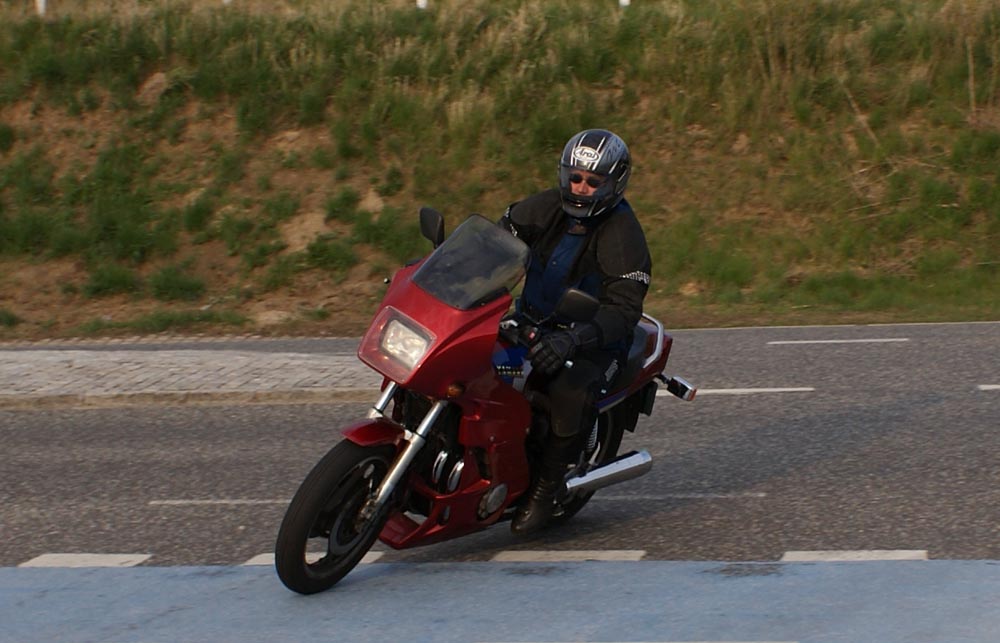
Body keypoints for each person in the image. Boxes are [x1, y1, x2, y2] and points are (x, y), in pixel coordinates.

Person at [498, 129, 652, 535]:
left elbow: (624, 309)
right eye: (575, 177)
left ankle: (545, 490)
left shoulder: (622, 233)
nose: (580, 188)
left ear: (613, 183)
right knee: (480, 372)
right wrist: (449, 269)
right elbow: (498, 240)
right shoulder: (546, 206)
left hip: (593, 341)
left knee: (568, 391)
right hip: (531, 324)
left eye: (592, 181)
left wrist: (572, 339)